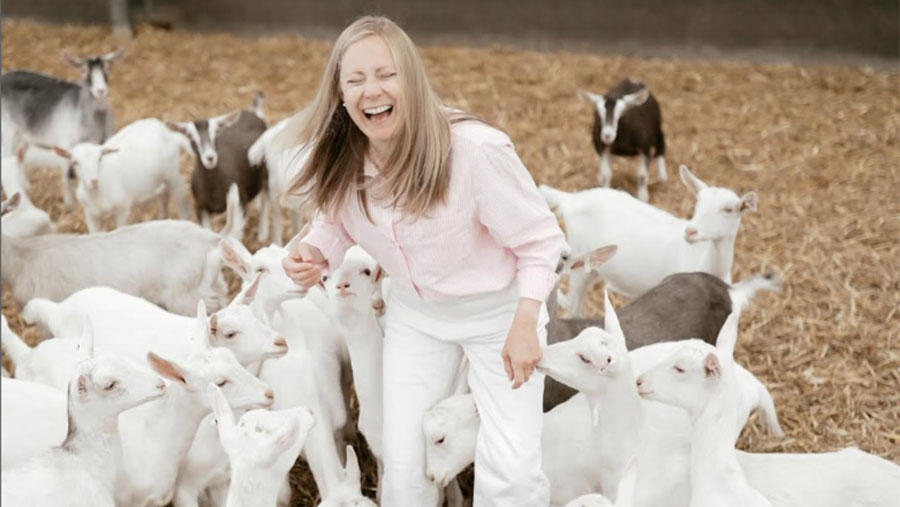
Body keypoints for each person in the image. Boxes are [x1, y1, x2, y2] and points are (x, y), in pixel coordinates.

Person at [280, 16, 564, 506]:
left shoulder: (475, 152)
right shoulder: (344, 157)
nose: (372, 91)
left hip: (498, 314)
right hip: (416, 315)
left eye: (385, 74)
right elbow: (335, 223)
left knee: (512, 470)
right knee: (405, 463)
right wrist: (313, 253)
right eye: (355, 80)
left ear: (411, 77)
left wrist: (525, 321)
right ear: (340, 94)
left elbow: (540, 241)